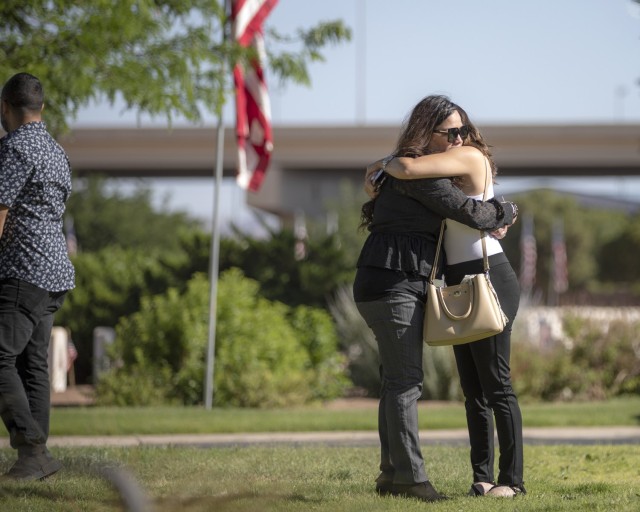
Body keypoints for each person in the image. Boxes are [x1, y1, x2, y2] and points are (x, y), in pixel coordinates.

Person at [354, 95, 518, 501]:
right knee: (410, 383)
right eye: (451, 132)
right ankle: (410, 479)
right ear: (426, 133)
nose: (459, 138)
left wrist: (503, 212)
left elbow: (472, 212)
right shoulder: (417, 175)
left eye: (463, 130)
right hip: (399, 280)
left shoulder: (413, 169)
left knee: (410, 383)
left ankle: (506, 480)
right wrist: (503, 212)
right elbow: (471, 213)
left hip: (464, 276)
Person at [0, 72, 75, 480]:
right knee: (34, 365)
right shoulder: (56, 152)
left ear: (5, 108)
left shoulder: (13, 149)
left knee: (0, 357)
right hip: (55, 272)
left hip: (23, 271)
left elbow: (0, 210)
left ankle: (31, 451)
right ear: (41, 109)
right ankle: (36, 459)